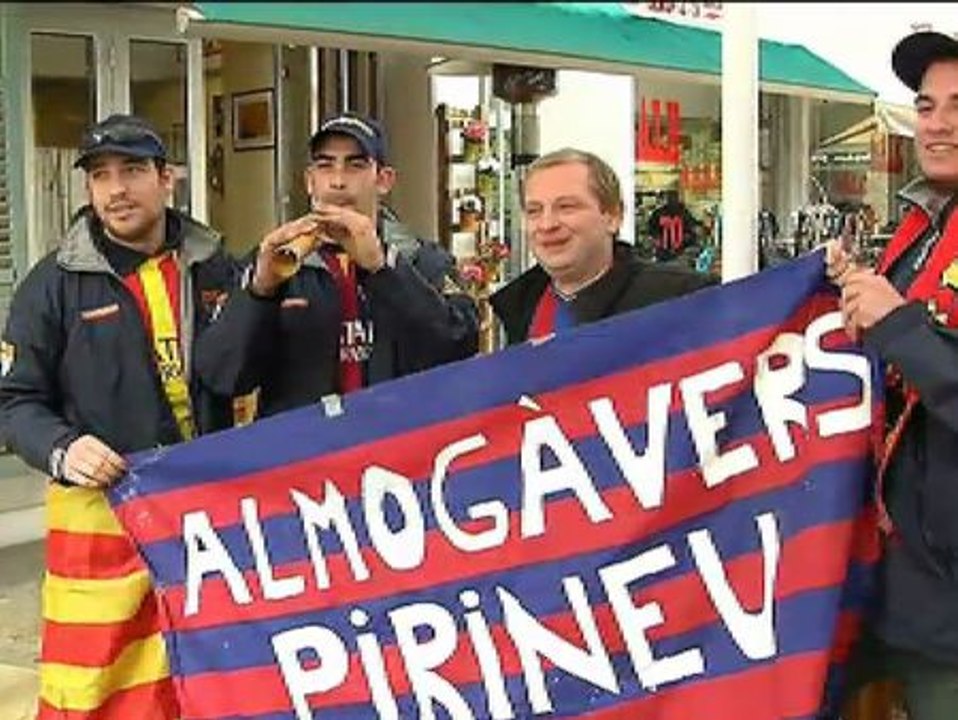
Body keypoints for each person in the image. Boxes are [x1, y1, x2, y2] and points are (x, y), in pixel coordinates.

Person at [0, 114, 242, 718]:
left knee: (208, 669)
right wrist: (62, 447)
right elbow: (13, 399)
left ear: (168, 179)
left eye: (132, 171)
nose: (116, 190)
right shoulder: (50, 285)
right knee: (92, 686)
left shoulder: (217, 268)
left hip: (202, 513)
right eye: (101, 176)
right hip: (100, 519)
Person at [828, 30, 958, 720]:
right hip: (886, 584)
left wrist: (900, 326)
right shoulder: (921, 230)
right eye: (927, 105)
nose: (937, 124)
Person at [195, 111, 479, 418]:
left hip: (398, 453)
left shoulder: (423, 260)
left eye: (356, 165)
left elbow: (459, 350)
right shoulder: (271, 263)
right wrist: (259, 293)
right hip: (306, 457)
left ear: (384, 180)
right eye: (325, 165)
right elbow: (222, 377)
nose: (338, 181)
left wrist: (383, 270)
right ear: (309, 181)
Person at [490, 148, 715, 344]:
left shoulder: (683, 299)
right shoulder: (517, 307)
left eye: (566, 207)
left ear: (613, 216)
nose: (547, 224)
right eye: (534, 211)